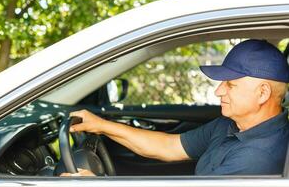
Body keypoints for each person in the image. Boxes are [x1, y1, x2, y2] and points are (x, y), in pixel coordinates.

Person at [61, 39, 289, 176]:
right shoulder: (231, 125)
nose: (219, 91)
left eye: (230, 85)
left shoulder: (257, 158)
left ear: (263, 93)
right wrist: (101, 126)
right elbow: (169, 146)